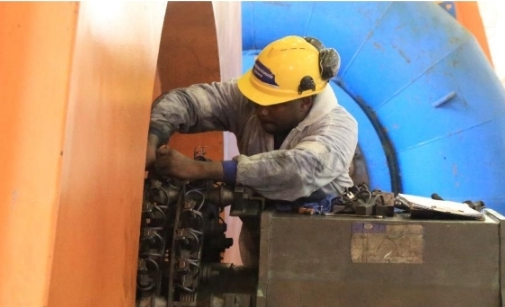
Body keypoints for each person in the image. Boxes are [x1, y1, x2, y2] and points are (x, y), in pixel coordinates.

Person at [146, 35, 358, 265]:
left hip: (326, 260)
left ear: (305, 101)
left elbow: (297, 170)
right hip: (260, 254)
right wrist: (154, 136)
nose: (261, 111)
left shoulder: (339, 128)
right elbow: (189, 101)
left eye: (273, 105)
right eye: (258, 101)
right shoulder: (251, 99)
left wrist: (200, 169)